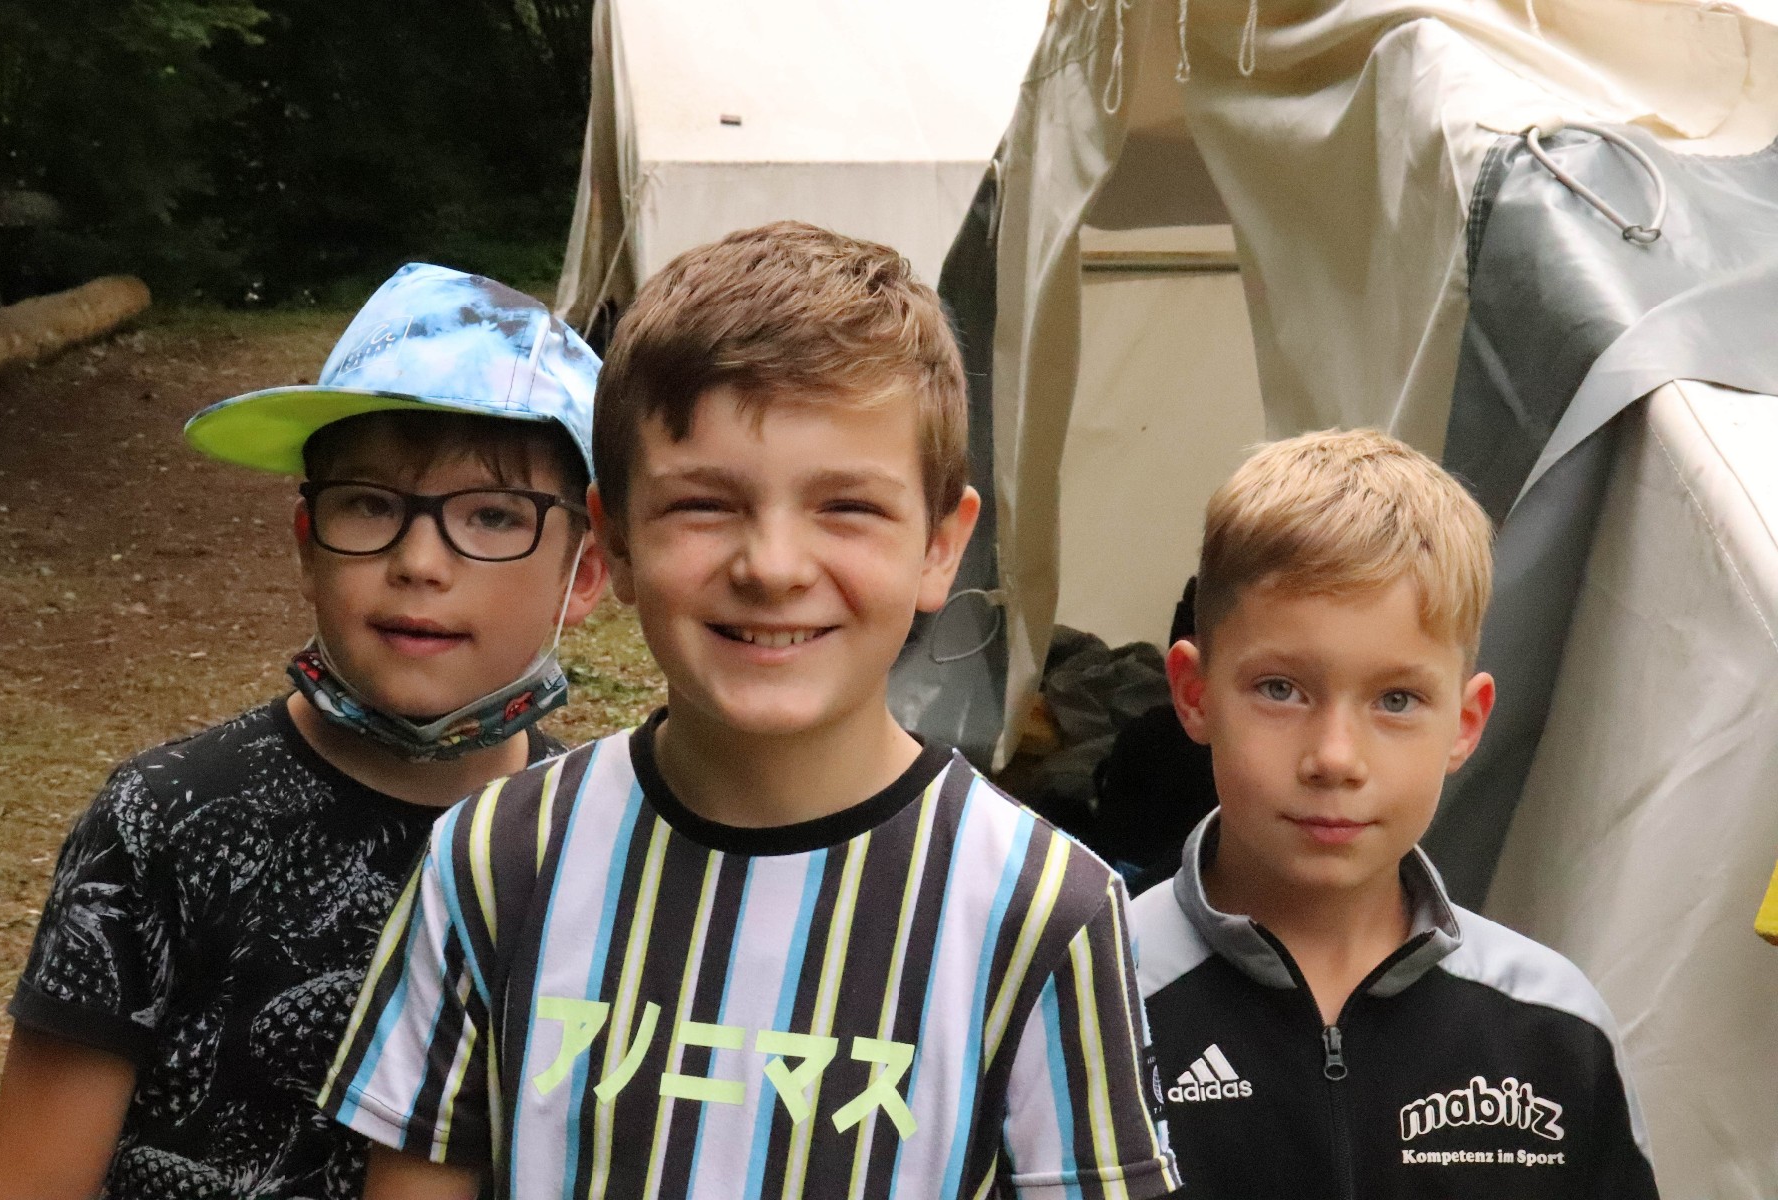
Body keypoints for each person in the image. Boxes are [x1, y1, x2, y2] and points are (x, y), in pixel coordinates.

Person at [320, 222, 1182, 1200]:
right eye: (704, 504)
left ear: (942, 546)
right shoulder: (496, 860)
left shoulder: (1043, 910)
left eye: (847, 507)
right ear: (616, 541)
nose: (772, 567)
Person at [0, 263, 610, 1200]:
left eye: (491, 516)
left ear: (584, 573)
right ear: (308, 543)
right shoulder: (164, 820)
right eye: (371, 504)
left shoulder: (597, 847)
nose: (420, 562)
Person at [1130, 429, 1659, 1198]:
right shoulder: (1090, 1004)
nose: (1335, 757)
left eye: (1397, 700)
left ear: (1466, 724)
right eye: (1281, 689)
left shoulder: (1553, 1030)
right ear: (1194, 693)